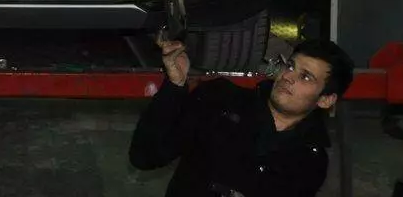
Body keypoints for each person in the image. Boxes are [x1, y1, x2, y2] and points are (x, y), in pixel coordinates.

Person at [130, 36, 355, 196]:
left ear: (325, 99)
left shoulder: (311, 161)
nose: (288, 77)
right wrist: (175, 86)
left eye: (305, 77)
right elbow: (145, 156)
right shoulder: (219, 99)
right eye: (290, 66)